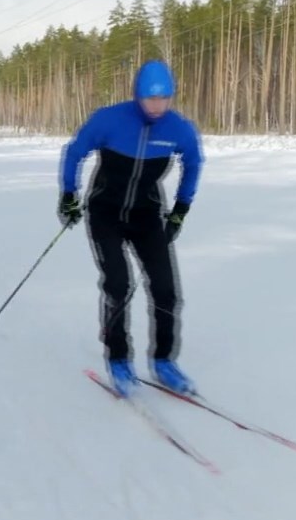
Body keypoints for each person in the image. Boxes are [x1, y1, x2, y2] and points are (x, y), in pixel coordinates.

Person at [57, 60, 204, 397]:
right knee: (118, 285)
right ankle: (119, 359)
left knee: (166, 290)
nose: (157, 106)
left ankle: (165, 361)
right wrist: (68, 194)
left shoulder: (179, 129)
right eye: (151, 98)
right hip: (104, 213)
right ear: (138, 95)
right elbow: (75, 152)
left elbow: (194, 164)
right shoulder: (109, 119)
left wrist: (180, 209)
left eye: (164, 98)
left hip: (147, 216)